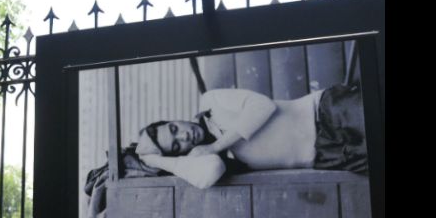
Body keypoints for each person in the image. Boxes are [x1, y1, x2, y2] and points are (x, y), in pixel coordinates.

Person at [135, 82, 367, 188]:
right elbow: (209, 173)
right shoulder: (210, 160)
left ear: (174, 119)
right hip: (330, 156)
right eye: (177, 146)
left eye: (174, 129)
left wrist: (216, 146)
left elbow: (263, 106)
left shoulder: (211, 103)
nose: (184, 137)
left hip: (325, 114)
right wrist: (154, 159)